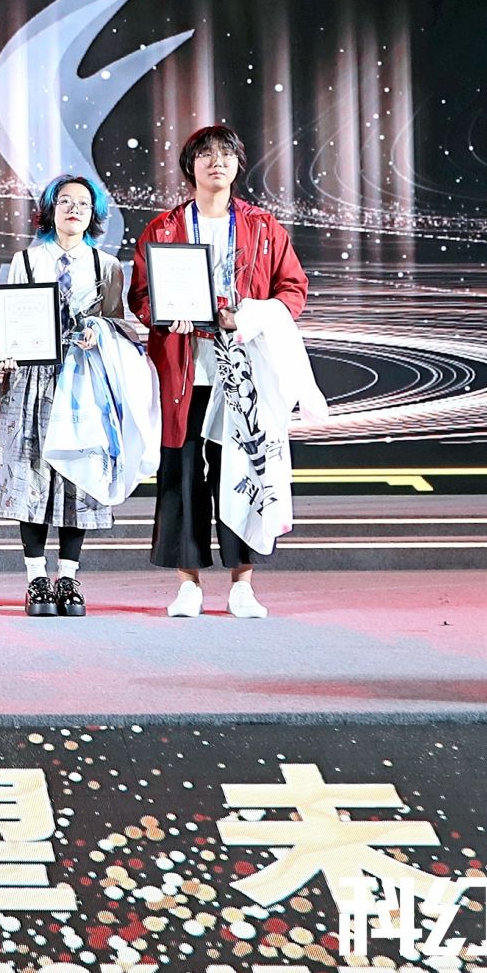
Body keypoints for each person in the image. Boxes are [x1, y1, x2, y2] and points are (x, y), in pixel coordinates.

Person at [130, 124, 310, 619]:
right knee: (182, 472)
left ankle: (242, 584)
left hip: (244, 370)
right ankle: (187, 583)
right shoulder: (163, 229)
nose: (217, 162)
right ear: (190, 166)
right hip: (183, 371)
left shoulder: (263, 227)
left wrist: (249, 317)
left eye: (226, 154)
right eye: (206, 154)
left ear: (237, 165)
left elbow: (293, 290)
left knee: (244, 469)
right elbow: (141, 295)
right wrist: (163, 314)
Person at [0, 174, 142, 618]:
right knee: (32, 473)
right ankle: (36, 578)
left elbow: (120, 324)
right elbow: (11, 318)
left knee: (79, 474)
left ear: (94, 214)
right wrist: (8, 350)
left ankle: (70, 577)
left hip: (83, 381)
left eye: (83, 203)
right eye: (65, 202)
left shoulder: (107, 266)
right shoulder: (25, 260)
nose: (74, 209)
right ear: (50, 209)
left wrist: (101, 332)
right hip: (33, 380)